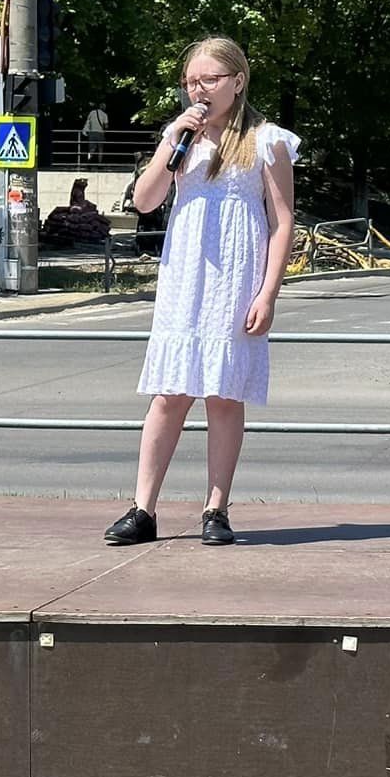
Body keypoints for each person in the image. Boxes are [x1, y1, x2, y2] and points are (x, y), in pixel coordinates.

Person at [103, 38, 298, 547]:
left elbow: (282, 222)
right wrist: (173, 143)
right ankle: (143, 509)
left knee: (224, 396)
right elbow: (145, 202)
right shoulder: (180, 136)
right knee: (170, 393)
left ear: (238, 80)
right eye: (191, 81)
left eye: (209, 79)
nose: (199, 89)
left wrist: (268, 293)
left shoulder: (267, 140)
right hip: (185, 278)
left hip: (236, 280)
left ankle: (216, 508)